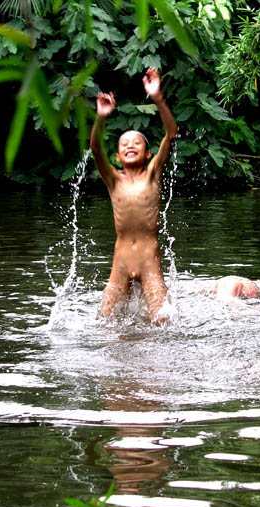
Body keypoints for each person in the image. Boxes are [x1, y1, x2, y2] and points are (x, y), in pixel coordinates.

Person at [90, 67, 178, 324]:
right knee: (104, 322)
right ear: (118, 156)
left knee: (163, 322)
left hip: (149, 259)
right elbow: (95, 149)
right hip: (121, 261)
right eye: (124, 144)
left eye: (136, 142)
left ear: (148, 153)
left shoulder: (152, 174)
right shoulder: (113, 179)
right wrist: (100, 118)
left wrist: (158, 98)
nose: (130, 145)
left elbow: (171, 135)